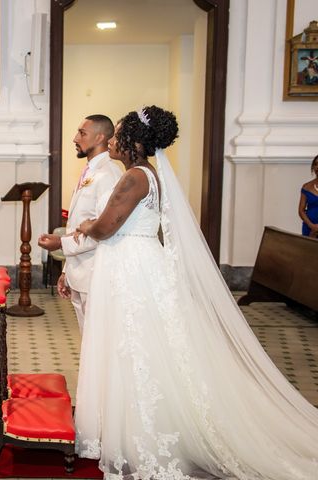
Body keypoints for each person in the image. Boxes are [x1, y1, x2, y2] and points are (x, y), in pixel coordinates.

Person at [73, 105, 318, 479]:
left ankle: (145, 434)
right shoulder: (147, 174)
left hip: (132, 267)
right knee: (138, 347)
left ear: (135, 142)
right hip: (134, 264)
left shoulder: (133, 178)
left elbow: (107, 227)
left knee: (135, 346)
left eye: (120, 134)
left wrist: (87, 224)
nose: (115, 141)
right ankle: (133, 426)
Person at [38, 115, 122, 331]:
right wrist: (67, 271)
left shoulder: (109, 175)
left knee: (97, 343)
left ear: (100, 137)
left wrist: (60, 244)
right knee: (87, 345)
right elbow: (77, 224)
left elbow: (104, 230)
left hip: (96, 274)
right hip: (80, 273)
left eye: (82, 133)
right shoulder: (90, 171)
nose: (75, 138)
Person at [298, 154, 318, 237]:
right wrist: (312, 226)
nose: (317, 167)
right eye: (316, 164)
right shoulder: (306, 186)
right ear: (313, 168)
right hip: (309, 229)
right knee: (308, 250)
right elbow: (301, 211)